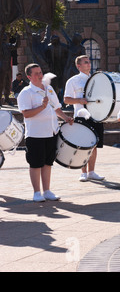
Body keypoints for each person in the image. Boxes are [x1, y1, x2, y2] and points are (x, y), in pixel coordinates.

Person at [17, 63, 74, 202]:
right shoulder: (26, 93)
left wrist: (66, 118)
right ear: (29, 76)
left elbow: (56, 108)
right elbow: (26, 114)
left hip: (51, 132)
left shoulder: (49, 88)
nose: (40, 75)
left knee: (48, 163)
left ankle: (47, 191)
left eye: (40, 72)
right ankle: (37, 192)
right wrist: (42, 107)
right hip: (35, 134)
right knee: (36, 163)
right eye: (36, 73)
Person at [64, 55, 105, 182]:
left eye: (89, 62)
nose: (89, 64)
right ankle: (83, 172)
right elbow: (66, 99)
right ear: (79, 66)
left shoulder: (96, 79)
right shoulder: (73, 81)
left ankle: (92, 172)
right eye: (86, 62)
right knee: (83, 145)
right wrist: (79, 100)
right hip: (82, 116)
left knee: (94, 145)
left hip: (96, 116)